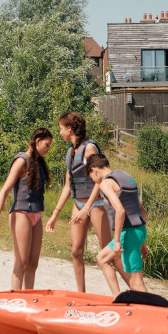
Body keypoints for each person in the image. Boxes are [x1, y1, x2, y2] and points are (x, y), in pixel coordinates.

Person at [45, 112, 110, 292]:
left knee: (108, 251)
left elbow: (100, 180)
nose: (60, 133)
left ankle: (126, 293)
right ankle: (81, 294)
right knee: (76, 251)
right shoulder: (70, 152)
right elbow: (67, 186)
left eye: (61, 128)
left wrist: (87, 208)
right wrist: (54, 215)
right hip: (78, 203)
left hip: (96, 204)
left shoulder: (90, 148)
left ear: (70, 128)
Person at [0, 128, 53, 290]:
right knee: (22, 262)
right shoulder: (21, 161)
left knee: (33, 264)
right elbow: (4, 190)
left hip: (37, 215)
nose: (49, 149)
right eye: (47, 145)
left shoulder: (38, 162)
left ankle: (28, 297)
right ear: (38, 141)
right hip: (21, 214)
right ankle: (16, 299)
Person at [85, 153, 148, 295]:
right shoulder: (126, 176)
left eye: (91, 177)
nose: (94, 181)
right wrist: (142, 243)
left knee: (136, 282)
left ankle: (152, 313)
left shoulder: (106, 183)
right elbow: (141, 210)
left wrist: (118, 240)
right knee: (102, 258)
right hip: (138, 231)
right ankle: (117, 298)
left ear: (94, 169)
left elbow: (120, 211)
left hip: (128, 234)